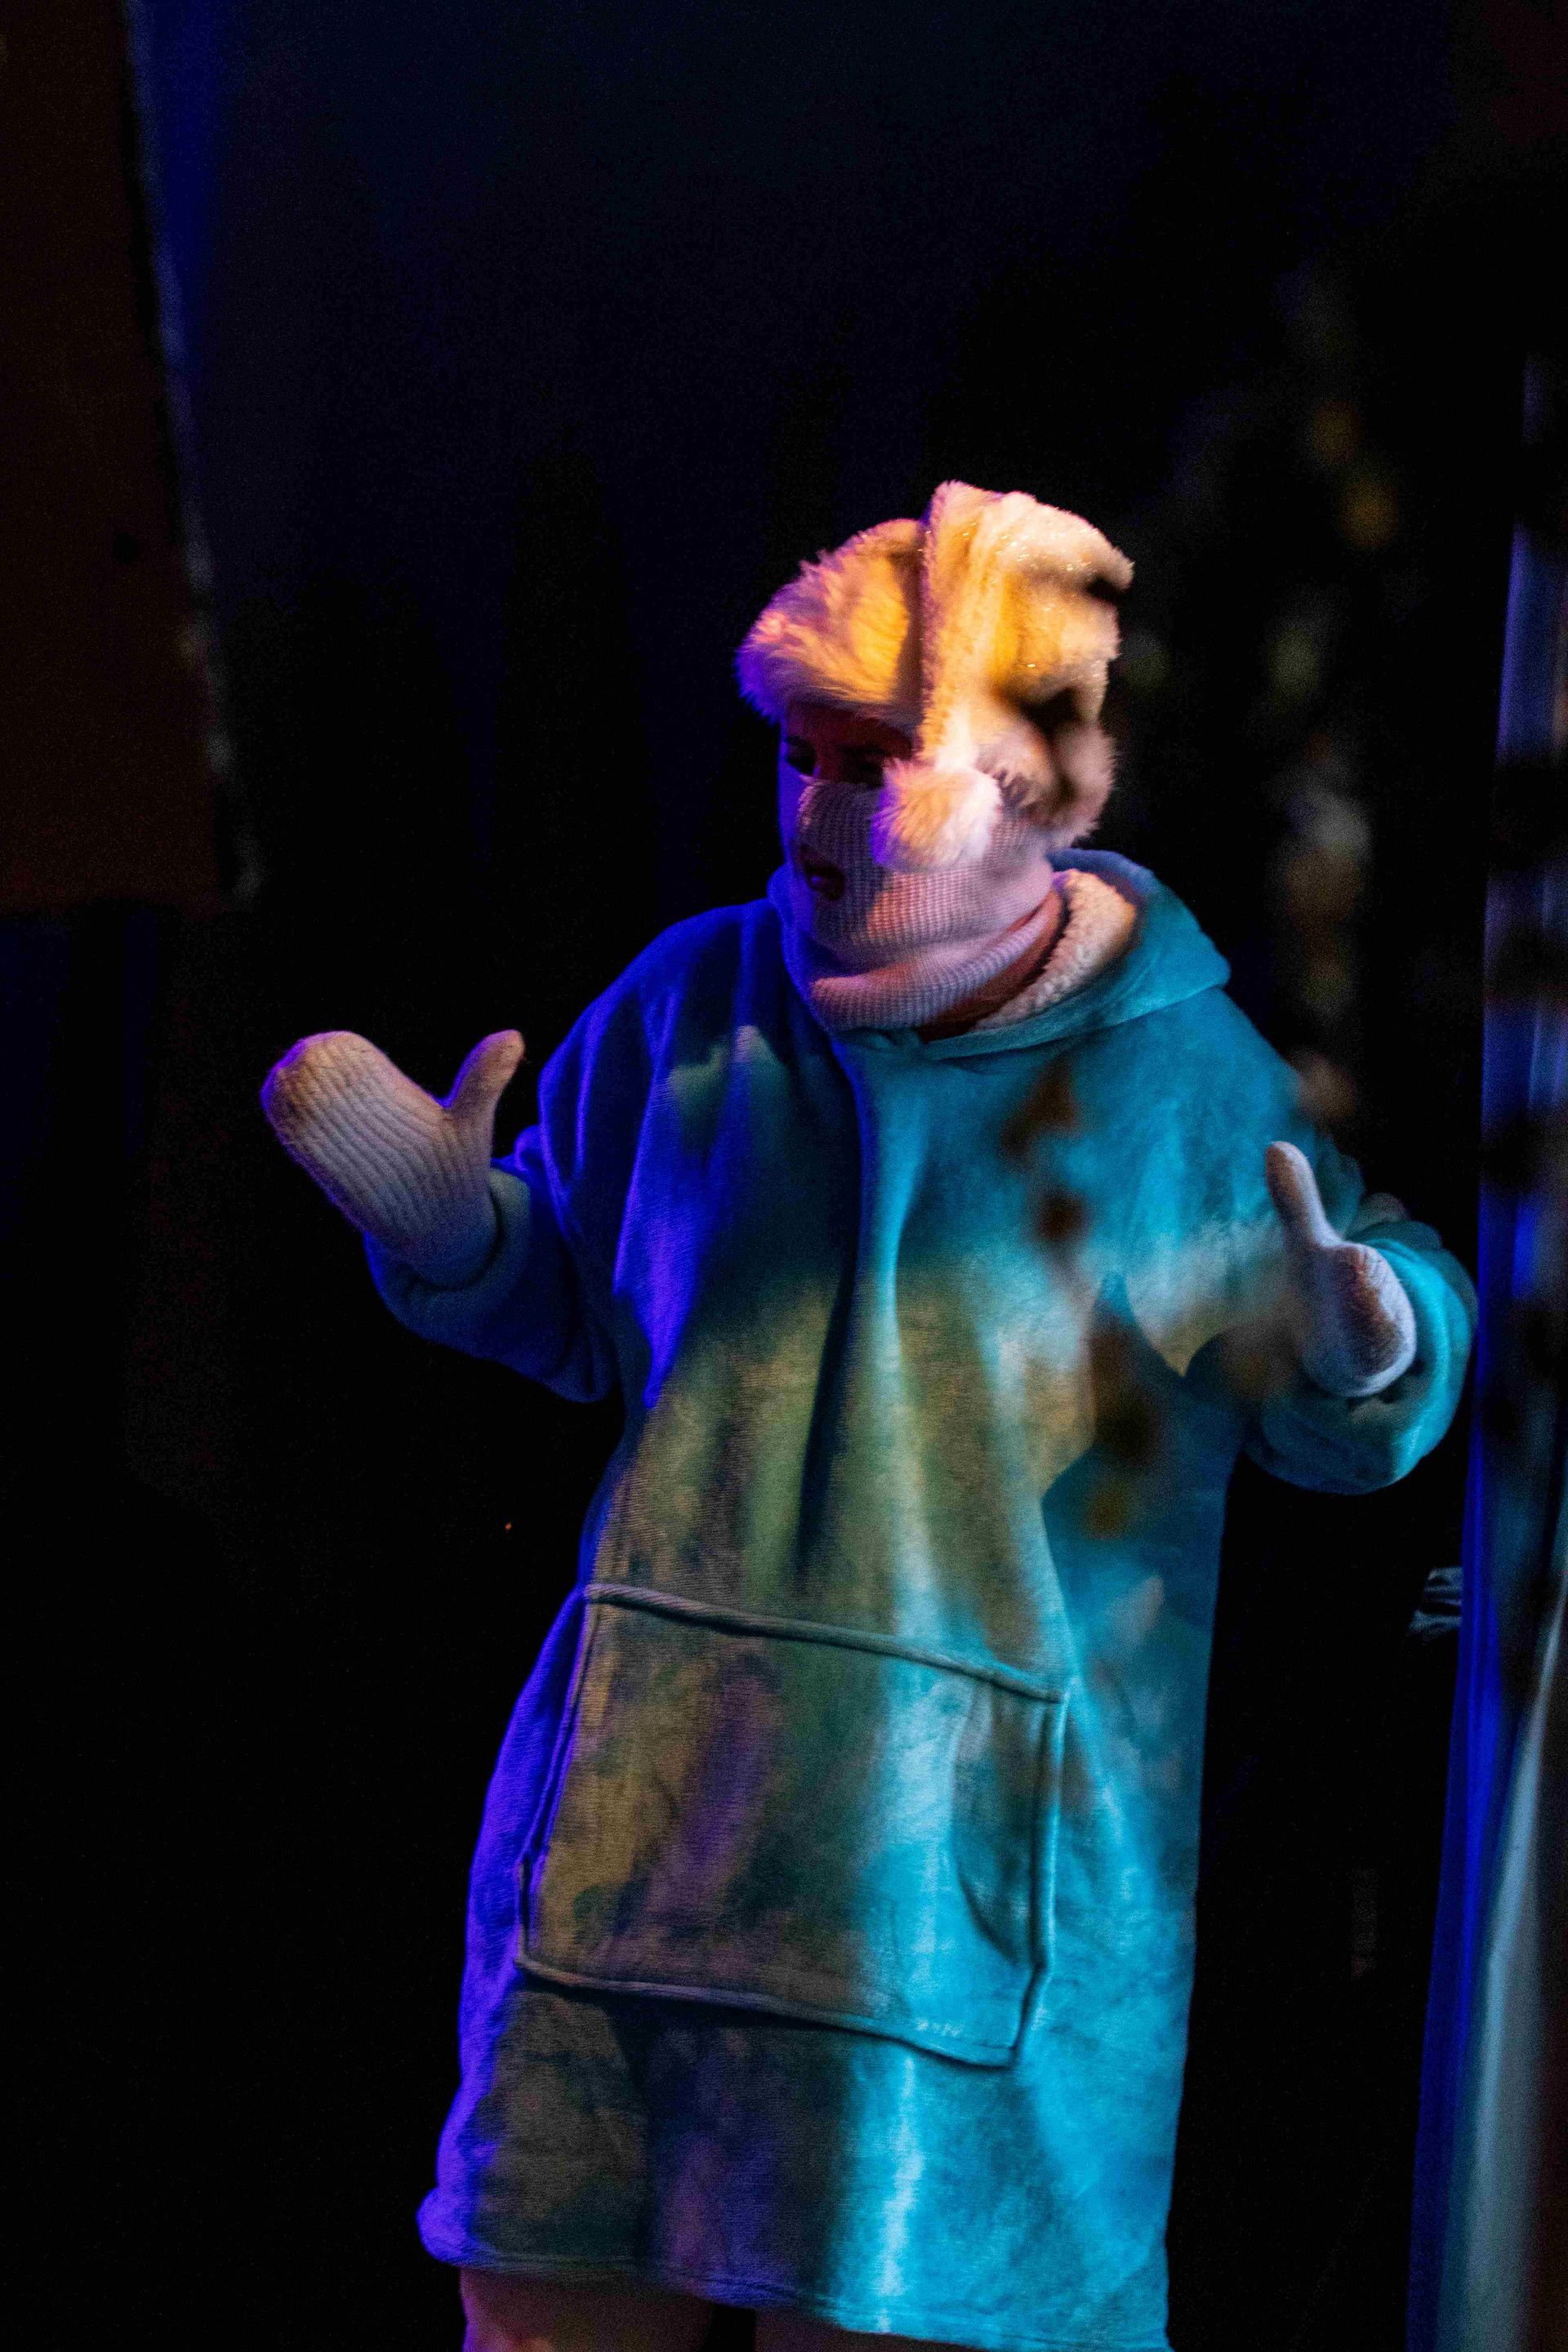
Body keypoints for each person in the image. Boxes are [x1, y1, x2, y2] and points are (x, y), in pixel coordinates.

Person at [263, 482, 1476, 2352]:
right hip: (649, 1853)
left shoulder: (1179, 1085)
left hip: (957, 1898)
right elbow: (578, 1303)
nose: (816, 811)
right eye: (799, 754)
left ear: (1022, 786)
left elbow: (1350, 1401)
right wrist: (459, 1231)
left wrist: (1374, 1332)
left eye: (875, 761)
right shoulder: (693, 1006)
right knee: (554, 2308)